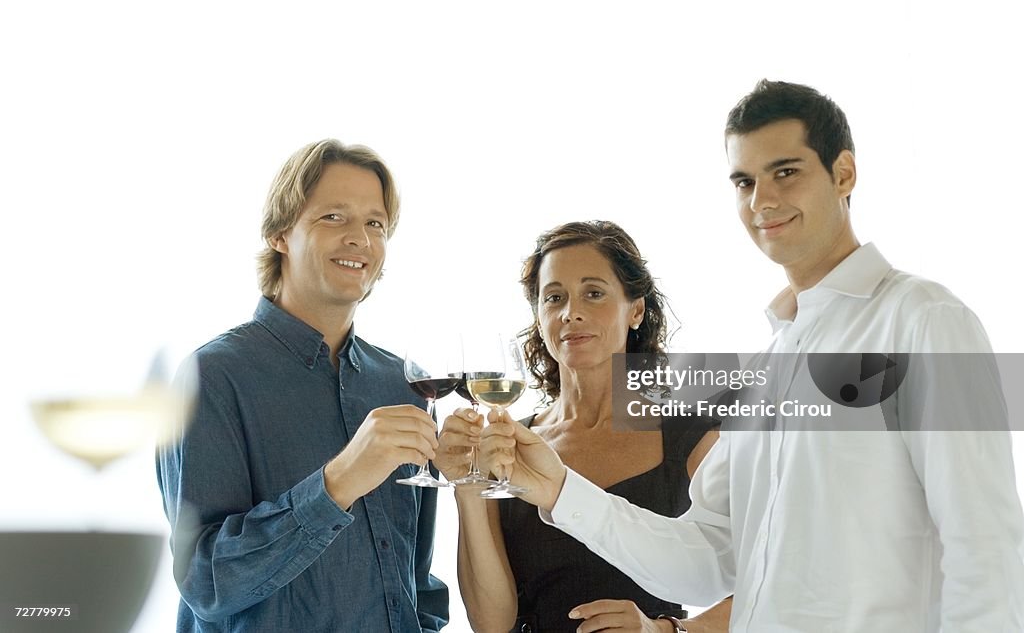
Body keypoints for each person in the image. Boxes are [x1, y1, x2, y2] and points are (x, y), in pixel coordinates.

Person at [481, 81, 1024, 631]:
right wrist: (559, 488)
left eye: (785, 172)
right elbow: (705, 558)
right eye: (745, 181)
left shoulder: (924, 320)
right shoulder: (768, 366)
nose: (762, 201)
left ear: (843, 175)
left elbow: (986, 549)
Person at [156, 140, 449, 632]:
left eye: (375, 223)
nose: (360, 238)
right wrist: (338, 484)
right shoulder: (210, 378)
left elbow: (414, 577)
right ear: (279, 234)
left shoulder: (402, 385)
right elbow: (206, 581)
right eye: (334, 217)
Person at [436, 221, 732, 632]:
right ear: (539, 318)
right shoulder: (508, 445)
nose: (570, 312)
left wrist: (667, 630)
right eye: (554, 297)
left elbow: (770, 579)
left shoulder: (694, 436)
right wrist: (467, 487)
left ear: (637, 310)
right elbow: (491, 623)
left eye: (593, 293)